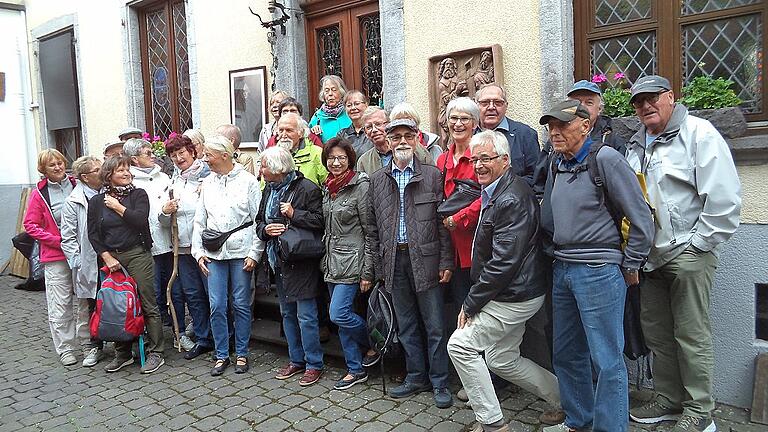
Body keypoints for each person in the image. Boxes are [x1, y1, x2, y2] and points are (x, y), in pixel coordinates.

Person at [626, 75, 742, 432]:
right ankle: (669, 399)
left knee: (691, 334)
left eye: (653, 98)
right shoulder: (636, 144)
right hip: (651, 256)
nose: (646, 106)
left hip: (688, 252)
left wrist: (699, 244)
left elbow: (723, 198)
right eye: (639, 101)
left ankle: (699, 411)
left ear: (671, 97)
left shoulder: (699, 134)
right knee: (658, 333)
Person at [539, 100, 654, 432]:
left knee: (606, 360)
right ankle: (578, 421)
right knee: (566, 353)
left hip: (598, 270)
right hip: (562, 268)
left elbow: (642, 218)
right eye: (551, 126)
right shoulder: (556, 163)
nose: (555, 132)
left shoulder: (605, 159)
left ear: (585, 126)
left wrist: (631, 263)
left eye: (562, 125)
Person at [448, 130, 561, 432]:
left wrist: (471, 302)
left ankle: (493, 425)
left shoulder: (510, 197)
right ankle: (564, 399)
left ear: (505, 160)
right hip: (515, 291)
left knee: (460, 345)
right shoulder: (497, 190)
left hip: (514, 295)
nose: (479, 165)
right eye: (475, 160)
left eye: (486, 158)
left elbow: (504, 262)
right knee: (501, 358)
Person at [367, 118, 454, 408]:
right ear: (388, 142)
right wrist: (379, 268)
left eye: (408, 136)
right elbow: (373, 229)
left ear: (417, 139)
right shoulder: (378, 180)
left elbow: (443, 224)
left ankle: (440, 381)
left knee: (435, 325)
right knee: (405, 324)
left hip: (427, 259)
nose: (402, 142)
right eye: (396, 137)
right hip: (394, 260)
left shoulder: (432, 175)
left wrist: (446, 261)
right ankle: (416, 376)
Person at [191, 135, 263, 376]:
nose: (204, 159)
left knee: (241, 304)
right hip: (213, 253)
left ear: (224, 155)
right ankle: (222, 354)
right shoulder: (208, 183)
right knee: (217, 305)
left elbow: (258, 221)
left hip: (242, 251)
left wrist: (255, 253)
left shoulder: (249, 182)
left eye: (208, 155)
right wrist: (198, 252)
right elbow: (200, 220)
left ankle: (241, 353)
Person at [87, 156, 165, 374]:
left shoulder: (138, 195)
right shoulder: (96, 202)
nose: (126, 173)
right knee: (116, 305)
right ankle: (123, 354)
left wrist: (118, 207)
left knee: (147, 302)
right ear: (109, 175)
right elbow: (93, 233)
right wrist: (106, 257)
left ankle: (156, 351)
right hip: (113, 259)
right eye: (120, 170)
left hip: (137, 254)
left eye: (127, 169)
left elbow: (140, 220)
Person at [256, 146, 325, 386]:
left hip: (301, 261)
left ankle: (314, 363)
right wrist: (266, 230)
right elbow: (258, 222)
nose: (261, 169)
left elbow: (320, 221)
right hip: (278, 260)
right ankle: (296, 360)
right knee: (287, 313)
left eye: (264, 165)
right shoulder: (268, 190)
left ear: (277, 168)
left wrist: (294, 214)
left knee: (306, 315)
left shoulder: (307, 189)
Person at [123, 139, 196, 350]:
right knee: (152, 293)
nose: (152, 156)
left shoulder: (164, 177)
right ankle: (151, 337)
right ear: (134, 159)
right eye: (147, 153)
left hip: (171, 243)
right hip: (148, 247)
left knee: (177, 291)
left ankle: (179, 332)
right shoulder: (130, 182)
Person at [320, 137, 375, 390]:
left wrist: (367, 272)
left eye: (341, 157)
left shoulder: (359, 184)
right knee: (341, 320)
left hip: (353, 262)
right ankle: (355, 368)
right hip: (332, 261)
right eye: (331, 158)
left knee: (338, 313)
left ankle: (375, 342)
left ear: (350, 159)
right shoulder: (328, 187)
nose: (336, 162)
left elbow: (369, 230)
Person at [160, 134, 214, 361]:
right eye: (174, 155)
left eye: (182, 152)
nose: (179, 158)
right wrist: (165, 210)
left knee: (214, 295)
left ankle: (223, 338)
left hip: (206, 249)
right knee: (193, 295)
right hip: (181, 250)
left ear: (192, 151)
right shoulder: (173, 183)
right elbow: (162, 221)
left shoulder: (210, 177)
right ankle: (203, 339)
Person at [23, 149, 79, 366]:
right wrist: (57, 241)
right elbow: (30, 225)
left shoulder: (76, 184)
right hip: (55, 255)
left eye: (59, 163)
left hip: (80, 251)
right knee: (60, 302)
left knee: (85, 300)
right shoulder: (40, 193)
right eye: (51, 165)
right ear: (43, 170)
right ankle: (65, 348)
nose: (57, 167)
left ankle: (88, 343)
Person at [436, 97, 481, 322]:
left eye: (465, 118)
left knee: (478, 312)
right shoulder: (442, 160)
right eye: (453, 118)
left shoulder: (481, 155)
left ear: (475, 123)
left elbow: (490, 196)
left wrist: (459, 218)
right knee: (457, 312)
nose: (458, 123)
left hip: (475, 247)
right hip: (449, 250)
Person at [60, 156, 105, 367]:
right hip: (89, 260)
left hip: (112, 255)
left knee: (117, 298)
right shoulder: (74, 201)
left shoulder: (108, 191)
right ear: (85, 177)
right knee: (91, 305)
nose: (102, 172)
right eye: (97, 170)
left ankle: (124, 341)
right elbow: (67, 237)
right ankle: (93, 346)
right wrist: (78, 263)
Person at [475, 84, 539, 186]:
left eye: (498, 103)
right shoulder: (470, 135)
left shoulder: (525, 134)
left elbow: (536, 178)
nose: (491, 107)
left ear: (506, 106)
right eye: (485, 103)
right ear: (477, 106)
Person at [355, 107, 433, 175]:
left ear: (389, 124)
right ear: (365, 133)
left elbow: (431, 177)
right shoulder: (364, 161)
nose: (374, 130)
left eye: (378, 124)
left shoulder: (416, 149)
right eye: (369, 127)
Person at [275, 112, 328, 186]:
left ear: (301, 133)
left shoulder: (317, 154)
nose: (284, 135)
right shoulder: (272, 156)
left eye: (289, 130)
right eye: (281, 130)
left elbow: (328, 185)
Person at [309, 74, 352, 142]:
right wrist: (313, 132)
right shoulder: (317, 117)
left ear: (341, 93)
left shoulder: (349, 112)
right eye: (326, 91)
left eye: (334, 90)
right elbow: (309, 140)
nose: (330, 94)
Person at [335, 90, 373, 156]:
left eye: (357, 104)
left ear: (366, 105)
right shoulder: (342, 135)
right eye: (349, 105)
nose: (353, 108)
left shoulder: (374, 130)